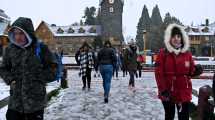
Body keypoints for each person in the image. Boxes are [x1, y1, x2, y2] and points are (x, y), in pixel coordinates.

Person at [0, 17, 57, 120]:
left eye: (21, 33)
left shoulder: (41, 48)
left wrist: (38, 77)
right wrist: (10, 80)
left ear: (28, 33)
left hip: (35, 104)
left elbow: (53, 69)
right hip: (15, 103)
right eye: (15, 33)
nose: (17, 37)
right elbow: (3, 68)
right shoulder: (9, 49)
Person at [155, 23, 195, 120]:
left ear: (182, 38)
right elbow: (158, 74)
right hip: (168, 92)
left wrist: (196, 70)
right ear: (169, 38)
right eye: (173, 36)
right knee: (169, 116)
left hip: (183, 91)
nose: (176, 38)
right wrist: (163, 90)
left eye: (178, 36)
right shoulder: (162, 53)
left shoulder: (187, 54)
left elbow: (191, 71)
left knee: (184, 117)